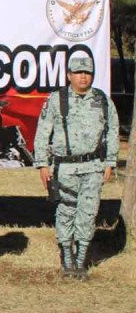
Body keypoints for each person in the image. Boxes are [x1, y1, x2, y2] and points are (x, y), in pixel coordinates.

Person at [33, 56, 118, 281]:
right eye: (78, 72)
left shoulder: (102, 100)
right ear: (69, 75)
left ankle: (80, 261)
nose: (83, 76)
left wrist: (110, 162)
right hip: (65, 168)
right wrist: (42, 163)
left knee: (88, 214)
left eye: (87, 73)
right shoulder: (56, 99)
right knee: (66, 212)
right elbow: (43, 132)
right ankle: (67, 260)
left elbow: (112, 131)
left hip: (93, 167)